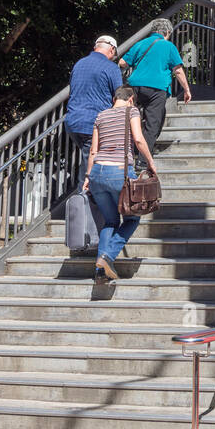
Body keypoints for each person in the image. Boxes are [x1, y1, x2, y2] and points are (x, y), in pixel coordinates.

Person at [82, 84, 158, 282]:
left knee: (110, 221)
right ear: (131, 98)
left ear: (115, 98)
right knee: (132, 219)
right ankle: (107, 256)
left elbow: (93, 150)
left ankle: (101, 271)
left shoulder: (101, 115)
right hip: (119, 172)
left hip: (98, 173)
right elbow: (139, 140)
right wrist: (150, 162)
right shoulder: (131, 111)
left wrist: (88, 177)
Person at [119, 18, 191, 157]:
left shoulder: (140, 44)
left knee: (130, 118)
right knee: (153, 124)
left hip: (134, 87)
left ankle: (128, 151)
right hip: (156, 89)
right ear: (168, 32)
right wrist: (187, 90)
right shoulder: (169, 46)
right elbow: (178, 70)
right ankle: (142, 160)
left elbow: (122, 62)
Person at [65, 35, 122, 184]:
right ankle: (85, 200)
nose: (113, 57)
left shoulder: (79, 64)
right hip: (94, 123)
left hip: (73, 122)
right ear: (112, 49)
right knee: (90, 168)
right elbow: (120, 96)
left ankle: (89, 198)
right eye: (114, 54)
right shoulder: (111, 68)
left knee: (88, 159)